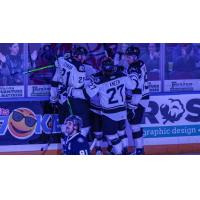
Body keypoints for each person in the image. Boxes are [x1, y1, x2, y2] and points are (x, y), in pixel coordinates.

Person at [83, 57, 139, 155]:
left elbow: (88, 94)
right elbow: (133, 86)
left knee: (111, 136)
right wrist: (133, 75)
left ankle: (119, 154)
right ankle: (125, 152)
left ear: (102, 68)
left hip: (109, 113)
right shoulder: (122, 75)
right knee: (121, 133)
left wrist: (90, 81)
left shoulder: (99, 80)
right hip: (122, 111)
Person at [50, 46, 91, 138]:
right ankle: (76, 146)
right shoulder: (79, 67)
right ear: (79, 56)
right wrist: (88, 82)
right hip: (74, 101)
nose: (84, 58)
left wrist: (53, 98)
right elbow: (78, 86)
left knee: (64, 124)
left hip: (61, 98)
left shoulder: (61, 60)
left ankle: (65, 148)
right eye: (84, 56)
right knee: (82, 125)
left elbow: (54, 81)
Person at [125, 46, 150, 155]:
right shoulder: (141, 63)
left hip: (139, 98)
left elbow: (136, 89)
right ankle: (139, 149)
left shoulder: (133, 68)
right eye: (127, 56)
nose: (127, 58)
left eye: (130, 56)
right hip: (143, 97)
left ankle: (139, 151)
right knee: (135, 125)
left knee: (135, 125)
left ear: (135, 57)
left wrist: (132, 107)